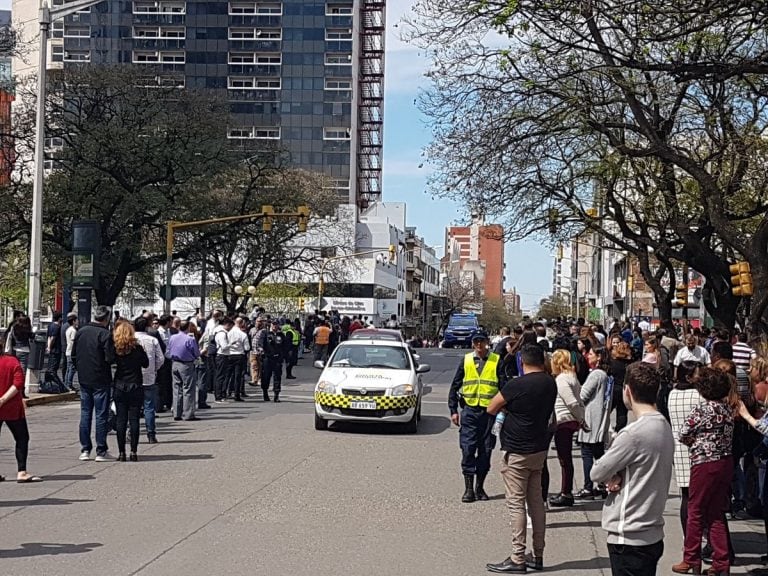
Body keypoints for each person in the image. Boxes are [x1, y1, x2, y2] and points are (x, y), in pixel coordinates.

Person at [590, 362, 674, 576]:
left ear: (627, 390)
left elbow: (597, 471)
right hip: (651, 529)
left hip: (629, 533)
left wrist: (611, 474)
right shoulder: (663, 425)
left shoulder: (633, 434)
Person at [486, 344, 557, 573]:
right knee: (536, 502)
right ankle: (538, 554)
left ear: (522, 362)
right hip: (539, 449)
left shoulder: (516, 384)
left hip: (517, 450)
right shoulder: (549, 383)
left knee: (516, 504)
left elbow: (491, 407)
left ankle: (517, 557)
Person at [672, 368, 735, 576]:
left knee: (695, 511)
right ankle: (721, 562)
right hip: (725, 461)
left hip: (704, 462)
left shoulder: (702, 409)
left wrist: (696, 443)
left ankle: (691, 557)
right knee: (715, 513)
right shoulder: (727, 409)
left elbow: (683, 433)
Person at [447, 331, 503, 503]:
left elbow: (504, 387)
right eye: (476, 342)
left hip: (489, 413)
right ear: (472, 344)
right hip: (470, 411)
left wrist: (502, 411)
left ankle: (480, 487)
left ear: (487, 342)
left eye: (482, 341)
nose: (479, 345)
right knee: (468, 449)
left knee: (486, 450)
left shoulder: (496, 361)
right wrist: (453, 410)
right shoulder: (466, 360)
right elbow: (455, 385)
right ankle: (469, 489)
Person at [72, 305, 115, 462]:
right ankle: (101, 450)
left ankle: (85, 449)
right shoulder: (105, 334)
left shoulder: (81, 332)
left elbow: (74, 355)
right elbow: (110, 358)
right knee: (101, 414)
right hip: (101, 378)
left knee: (85, 413)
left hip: (84, 378)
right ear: (106, 318)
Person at [0, 333, 42, 483]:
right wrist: (3, 399)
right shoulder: (12, 362)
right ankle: (22, 471)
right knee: (22, 438)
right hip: (12, 407)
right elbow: (18, 383)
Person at [667, 361, 702, 535]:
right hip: (696, 448)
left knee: (686, 495)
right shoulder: (698, 396)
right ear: (689, 377)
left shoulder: (672, 394)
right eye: (698, 374)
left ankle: (687, 536)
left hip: (678, 449)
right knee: (700, 498)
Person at [576, 346, 613, 499]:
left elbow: (583, 396)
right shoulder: (606, 375)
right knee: (598, 454)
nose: (588, 356)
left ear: (598, 357)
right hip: (601, 418)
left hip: (591, 418)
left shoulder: (596, 375)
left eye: (591, 354)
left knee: (587, 453)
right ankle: (603, 484)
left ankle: (588, 486)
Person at [548, 349, 584, 508]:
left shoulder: (561, 380)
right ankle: (566, 491)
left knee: (564, 459)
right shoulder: (572, 377)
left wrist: (580, 418)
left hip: (563, 420)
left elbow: (572, 402)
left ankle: (566, 493)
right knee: (566, 458)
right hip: (570, 420)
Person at [112, 322, 149, 462]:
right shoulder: (137, 348)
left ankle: (121, 452)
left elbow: (109, 361)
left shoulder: (116, 349)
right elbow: (146, 364)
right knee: (134, 420)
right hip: (135, 385)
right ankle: (133, 451)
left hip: (120, 385)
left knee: (121, 420)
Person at [134, 316, 165, 443]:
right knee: (149, 406)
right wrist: (154, 369)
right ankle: (151, 434)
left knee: (134, 407)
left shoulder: (130, 339)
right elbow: (161, 358)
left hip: (133, 377)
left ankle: (132, 432)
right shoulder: (152, 340)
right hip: (149, 376)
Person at [168, 320, 201, 421]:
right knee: (188, 388)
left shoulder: (172, 337)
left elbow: (168, 350)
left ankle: (176, 413)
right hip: (186, 364)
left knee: (177, 388)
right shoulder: (190, 339)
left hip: (174, 363)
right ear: (188, 327)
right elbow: (196, 353)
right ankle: (188, 414)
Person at [260, 320, 289, 402]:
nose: (274, 326)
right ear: (271, 325)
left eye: (276, 324)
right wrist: (261, 350)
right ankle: (265, 393)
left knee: (277, 377)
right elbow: (260, 343)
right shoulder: (265, 333)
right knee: (266, 376)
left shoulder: (281, 335)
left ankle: (276, 395)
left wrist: (285, 357)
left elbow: (285, 347)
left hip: (277, 359)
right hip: (268, 358)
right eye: (273, 324)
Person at [609, 341, 633, 432]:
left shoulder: (613, 363)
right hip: (624, 389)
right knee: (622, 411)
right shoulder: (630, 365)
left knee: (608, 409)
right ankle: (619, 430)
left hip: (614, 388)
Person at [45, 311, 66, 392]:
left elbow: (49, 337)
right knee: (53, 369)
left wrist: (48, 346)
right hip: (56, 350)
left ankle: (50, 385)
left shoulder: (50, 326)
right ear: (59, 318)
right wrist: (50, 347)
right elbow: (53, 338)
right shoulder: (57, 327)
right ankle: (61, 387)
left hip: (52, 350)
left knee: (50, 368)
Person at [64, 313, 79, 392]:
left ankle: (66, 384)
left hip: (67, 351)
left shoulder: (68, 329)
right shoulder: (73, 331)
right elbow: (74, 342)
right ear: (73, 321)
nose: (78, 322)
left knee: (68, 369)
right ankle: (69, 384)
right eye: (76, 320)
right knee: (72, 369)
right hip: (71, 352)